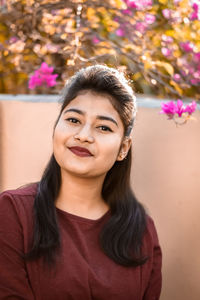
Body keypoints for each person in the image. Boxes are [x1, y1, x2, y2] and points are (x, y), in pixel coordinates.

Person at [0, 64, 162, 300]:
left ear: (123, 148)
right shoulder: (13, 212)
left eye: (103, 127)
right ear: (57, 126)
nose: (84, 135)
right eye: (74, 120)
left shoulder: (142, 230)